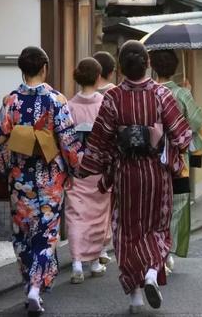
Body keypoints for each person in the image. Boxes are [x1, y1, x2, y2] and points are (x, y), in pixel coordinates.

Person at [79, 40, 192, 314]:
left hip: (126, 174)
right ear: (148, 64)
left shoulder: (113, 98)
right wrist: (163, 141)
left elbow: (100, 142)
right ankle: (153, 271)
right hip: (155, 174)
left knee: (127, 233)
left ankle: (135, 295)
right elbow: (183, 137)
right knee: (157, 228)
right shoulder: (161, 95)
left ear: (120, 68)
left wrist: (90, 169)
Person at [0, 46, 82, 314]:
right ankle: (35, 286)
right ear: (44, 68)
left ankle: (29, 282)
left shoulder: (11, 101)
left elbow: (0, 141)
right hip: (49, 178)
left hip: (20, 180)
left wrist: (4, 166)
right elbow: (67, 139)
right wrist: (75, 168)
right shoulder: (56, 100)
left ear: (22, 69)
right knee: (47, 232)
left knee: (24, 233)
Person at [149, 49, 202, 272]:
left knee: (153, 206)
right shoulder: (181, 94)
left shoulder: (148, 92)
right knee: (177, 206)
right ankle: (166, 252)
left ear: (152, 66)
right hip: (177, 159)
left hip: (150, 158)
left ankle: (155, 251)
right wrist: (188, 93)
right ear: (174, 69)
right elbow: (196, 120)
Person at [65, 58, 112, 284]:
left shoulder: (69, 106)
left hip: (77, 166)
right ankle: (94, 260)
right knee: (98, 215)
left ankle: (76, 262)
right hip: (99, 167)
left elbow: (65, 139)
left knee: (76, 214)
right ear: (97, 77)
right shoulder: (104, 103)